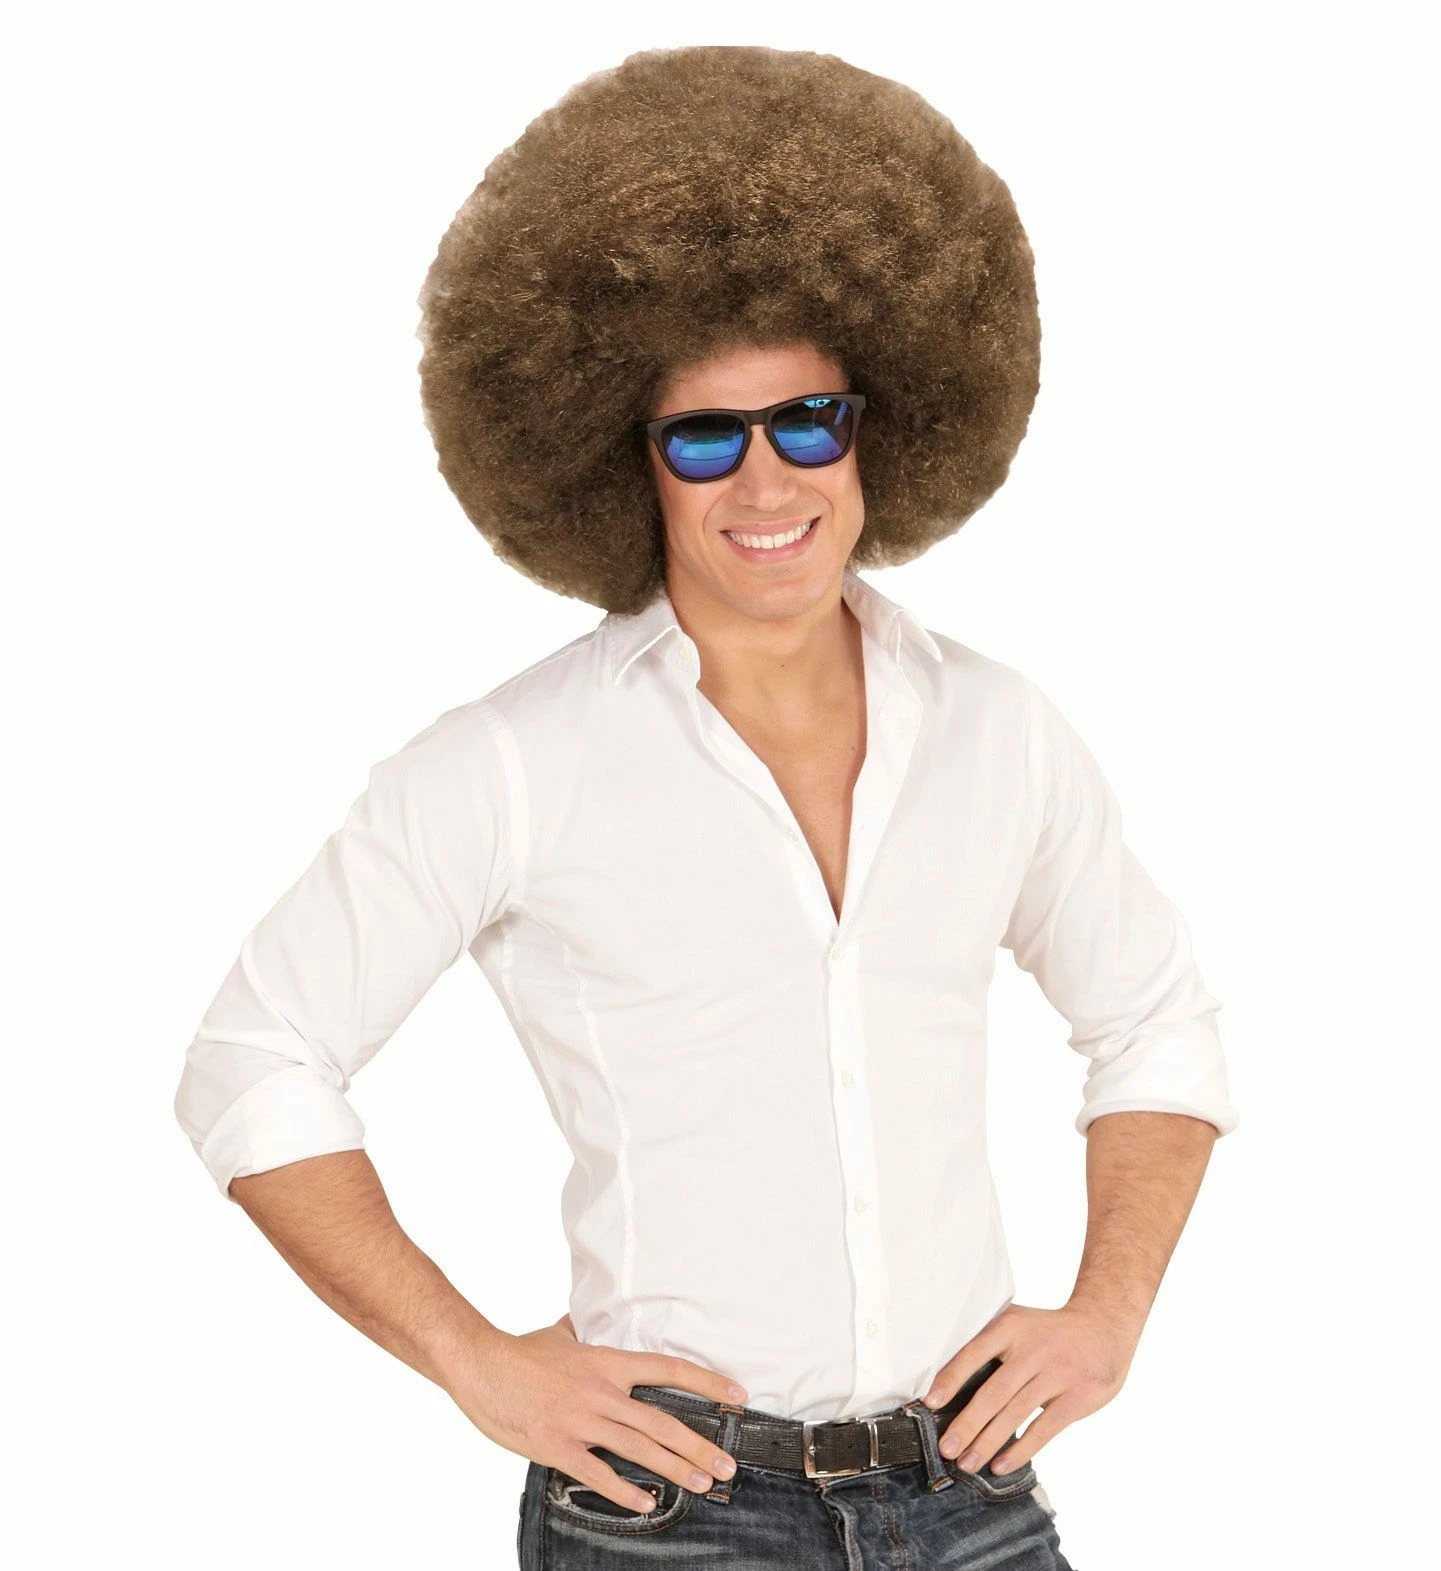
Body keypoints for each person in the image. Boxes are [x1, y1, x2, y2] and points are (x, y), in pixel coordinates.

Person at [174, 45, 1238, 1570]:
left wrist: (1109, 1312)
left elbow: (1157, 1021)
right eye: (703, 436)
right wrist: (479, 1361)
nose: (765, 480)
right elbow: (252, 1060)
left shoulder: (1000, 730)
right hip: (673, 1513)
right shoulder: (515, 760)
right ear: (634, 463)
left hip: (969, 1491)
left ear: (874, 427)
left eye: (807, 420)